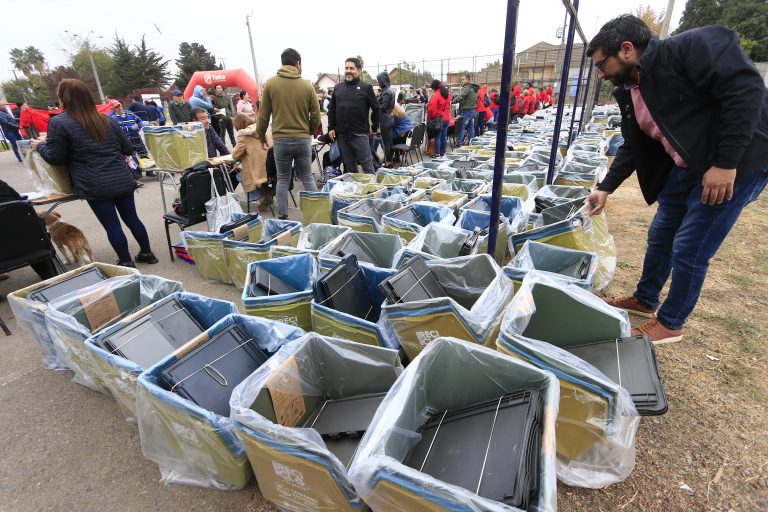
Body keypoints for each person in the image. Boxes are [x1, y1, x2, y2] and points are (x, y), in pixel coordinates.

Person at [585, 15, 768, 343]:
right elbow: (634, 145)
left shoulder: (690, 48)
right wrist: (605, 188)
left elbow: (746, 90)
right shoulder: (631, 90)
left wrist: (726, 164)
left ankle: (670, 323)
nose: (601, 74)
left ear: (626, 49)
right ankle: (645, 298)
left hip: (733, 164)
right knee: (661, 233)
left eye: (602, 64)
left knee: (691, 245)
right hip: (686, 166)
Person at [32, 79, 157, 267]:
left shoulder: (59, 123)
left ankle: (126, 262)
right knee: (132, 219)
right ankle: (148, 253)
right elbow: (127, 148)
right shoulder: (106, 120)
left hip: (94, 185)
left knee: (112, 225)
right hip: (122, 179)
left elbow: (56, 158)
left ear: (64, 99)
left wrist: (40, 146)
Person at [256, 48, 321, 219]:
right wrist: (309, 130)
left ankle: (283, 217)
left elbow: (262, 116)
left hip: (281, 140)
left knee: (283, 178)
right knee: (307, 177)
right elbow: (316, 115)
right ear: (298, 64)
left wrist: (262, 136)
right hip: (302, 139)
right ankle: (316, 214)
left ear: (282, 63)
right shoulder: (307, 86)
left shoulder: (270, 84)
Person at [327, 57, 380, 174]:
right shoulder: (338, 88)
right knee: (349, 167)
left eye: (352, 68)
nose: (348, 71)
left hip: (359, 134)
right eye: (346, 68)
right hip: (342, 136)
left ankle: (373, 190)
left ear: (359, 70)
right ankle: (355, 190)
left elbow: (376, 108)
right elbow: (332, 110)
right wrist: (331, 127)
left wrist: (374, 127)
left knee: (367, 165)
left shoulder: (366, 88)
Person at [233, 113, 273, 211]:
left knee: (239, 175)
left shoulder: (243, 136)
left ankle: (263, 195)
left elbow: (235, 155)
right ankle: (269, 191)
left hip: (259, 171)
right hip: (272, 169)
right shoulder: (263, 129)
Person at [451, 74, 479, 146]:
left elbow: (461, 96)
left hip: (467, 110)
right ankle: (471, 142)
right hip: (473, 110)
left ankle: (459, 142)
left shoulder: (467, 88)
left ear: (467, 80)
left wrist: (452, 101)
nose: (462, 81)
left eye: (463, 79)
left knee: (462, 127)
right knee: (471, 127)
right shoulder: (474, 88)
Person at [376, 71, 395, 167]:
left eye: (379, 81)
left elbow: (382, 106)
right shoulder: (389, 90)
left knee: (387, 142)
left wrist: (375, 104)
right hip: (389, 118)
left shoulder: (387, 92)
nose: (378, 83)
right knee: (389, 142)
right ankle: (389, 161)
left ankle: (388, 162)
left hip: (385, 120)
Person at [427, 80, 449, 158]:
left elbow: (432, 110)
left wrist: (430, 117)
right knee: (444, 136)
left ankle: (437, 154)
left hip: (439, 119)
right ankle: (443, 154)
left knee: (437, 137)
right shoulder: (446, 94)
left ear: (434, 88)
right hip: (447, 118)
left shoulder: (436, 96)